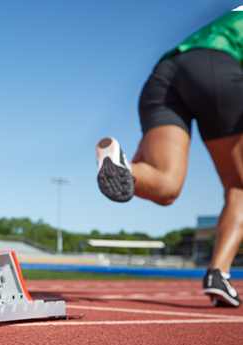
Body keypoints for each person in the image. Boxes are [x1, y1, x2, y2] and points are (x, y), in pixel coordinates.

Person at [96, 5, 243, 307]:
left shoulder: (230, 18)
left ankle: (126, 168)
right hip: (218, 66)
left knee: (166, 188)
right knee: (238, 187)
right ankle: (218, 273)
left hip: (164, 75)